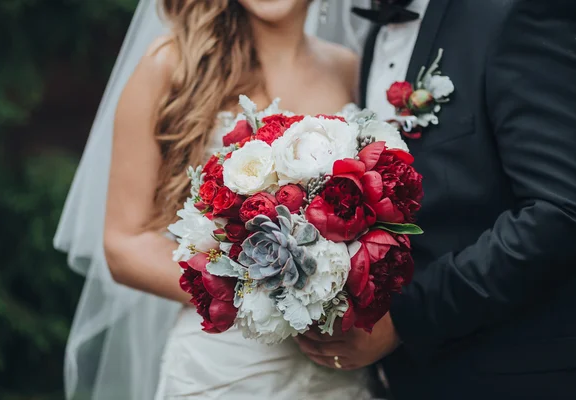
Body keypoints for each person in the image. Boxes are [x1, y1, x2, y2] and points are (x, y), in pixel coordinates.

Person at [55, 0, 376, 399]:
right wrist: (269, 296)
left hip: (334, 370)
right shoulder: (172, 64)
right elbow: (124, 242)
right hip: (222, 369)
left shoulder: (349, 68)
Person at [296, 0, 576, 399]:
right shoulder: (375, 37)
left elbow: (562, 212)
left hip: (515, 373)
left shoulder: (514, 12)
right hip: (405, 379)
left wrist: (405, 319)